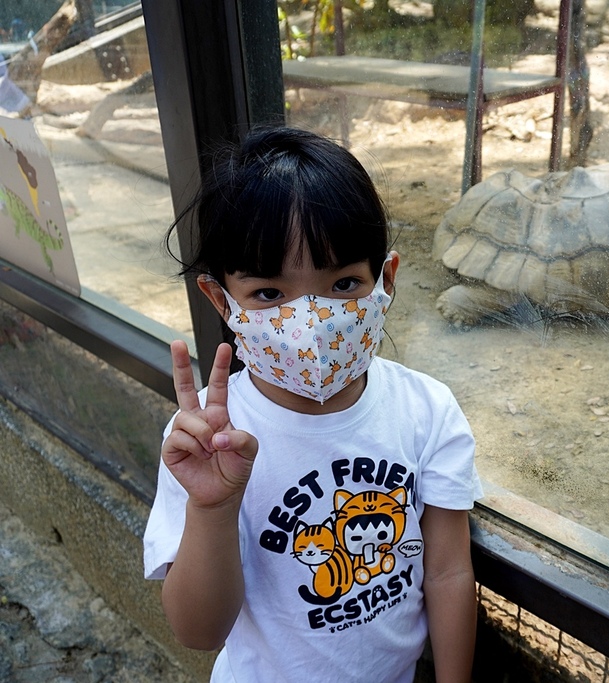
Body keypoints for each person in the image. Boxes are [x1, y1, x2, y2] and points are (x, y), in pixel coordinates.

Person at [143, 127, 482, 683]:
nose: (311, 322)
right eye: (270, 294)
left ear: (385, 281)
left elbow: (446, 574)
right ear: (221, 300)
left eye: (343, 283)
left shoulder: (427, 410)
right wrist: (211, 507)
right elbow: (199, 633)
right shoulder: (206, 440)